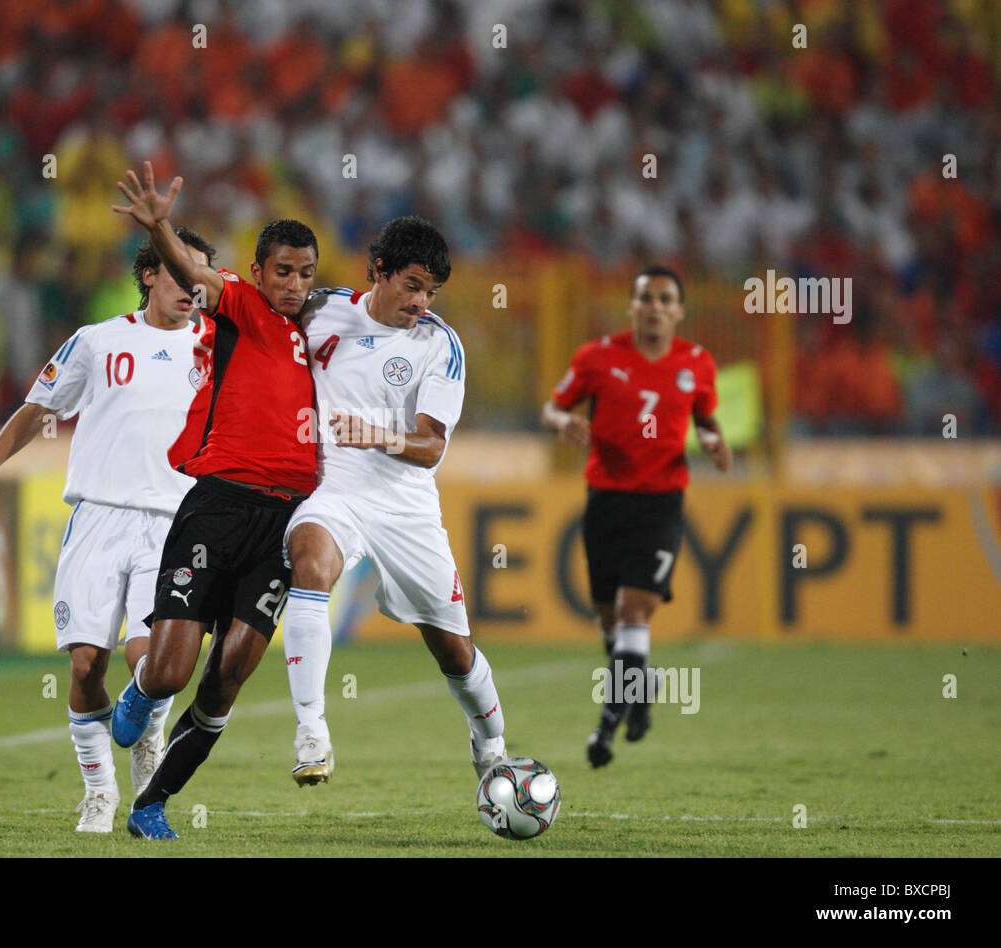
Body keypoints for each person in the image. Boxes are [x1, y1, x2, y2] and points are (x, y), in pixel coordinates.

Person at [0, 225, 216, 831]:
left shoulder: (220, 347)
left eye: (200, 276)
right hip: (98, 517)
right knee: (87, 663)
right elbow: (35, 410)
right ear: (148, 273)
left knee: (152, 658)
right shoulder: (96, 342)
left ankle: (146, 730)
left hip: (176, 524)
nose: (191, 287)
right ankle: (99, 791)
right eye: (176, 271)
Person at [107, 163, 319, 839]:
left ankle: (150, 805)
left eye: (305, 273)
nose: (293, 285)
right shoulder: (239, 306)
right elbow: (197, 276)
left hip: (284, 524)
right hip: (218, 507)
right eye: (282, 271)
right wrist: (160, 226)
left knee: (227, 677)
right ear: (257, 272)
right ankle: (140, 692)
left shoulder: (327, 330)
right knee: (170, 673)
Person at [281, 216, 509, 787]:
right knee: (309, 562)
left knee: (454, 653)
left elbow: (432, 446)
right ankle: (311, 732)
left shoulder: (439, 344)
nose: (421, 302)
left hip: (405, 507)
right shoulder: (322, 309)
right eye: (412, 285)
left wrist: (378, 434)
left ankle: (493, 747)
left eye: (431, 291)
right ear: (378, 271)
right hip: (335, 489)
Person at [541, 265, 730, 768]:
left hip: (662, 504)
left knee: (633, 611)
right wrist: (565, 422)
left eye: (666, 299)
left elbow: (706, 416)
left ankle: (606, 726)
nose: (655, 307)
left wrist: (712, 439)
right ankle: (641, 687)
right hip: (606, 500)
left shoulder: (697, 363)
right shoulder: (597, 357)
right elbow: (552, 407)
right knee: (609, 621)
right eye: (646, 297)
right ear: (632, 306)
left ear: (679, 311)